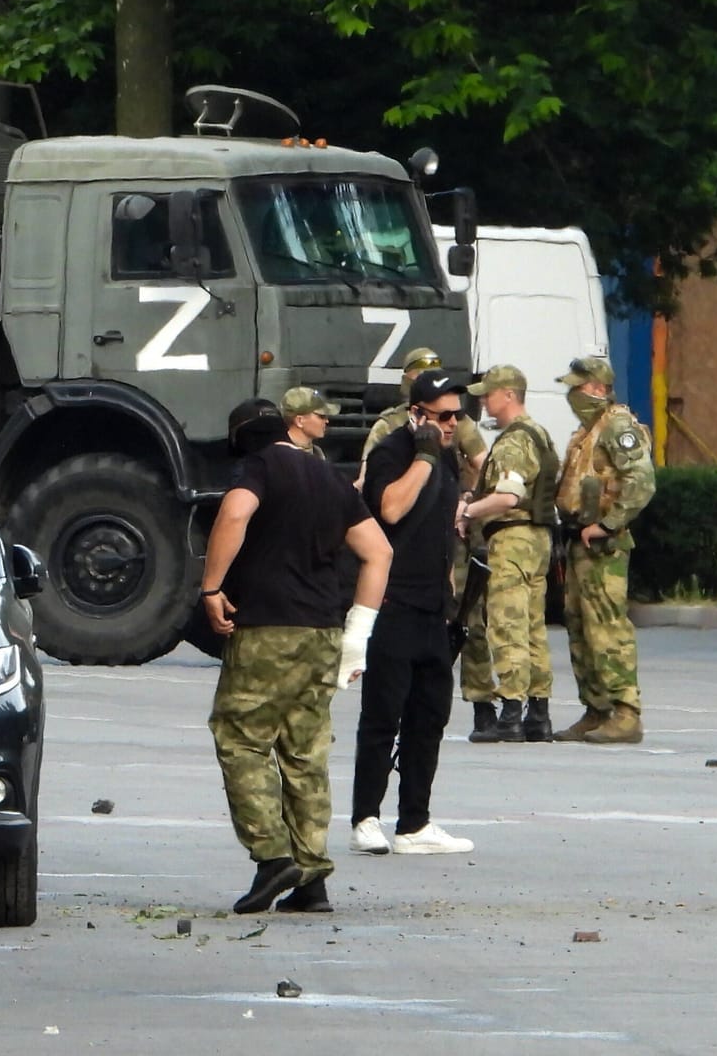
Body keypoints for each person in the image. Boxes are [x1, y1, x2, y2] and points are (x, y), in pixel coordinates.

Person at [200, 387, 392, 915]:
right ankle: (311, 879)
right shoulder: (331, 478)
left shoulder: (259, 468)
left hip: (266, 626)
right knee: (305, 750)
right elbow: (379, 553)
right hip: (323, 631)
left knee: (241, 737)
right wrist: (358, 634)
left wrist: (212, 587)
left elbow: (235, 515)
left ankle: (271, 856)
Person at [350, 370, 475, 858]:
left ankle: (415, 822)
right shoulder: (393, 454)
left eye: (458, 416)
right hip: (393, 603)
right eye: (444, 416)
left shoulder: (445, 460)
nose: (452, 425)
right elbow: (392, 510)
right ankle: (365, 817)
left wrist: (449, 595)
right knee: (383, 715)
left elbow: (442, 529)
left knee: (430, 716)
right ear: (416, 414)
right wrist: (423, 456)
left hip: (431, 607)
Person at [551, 356, 656, 745]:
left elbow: (641, 482)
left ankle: (626, 712)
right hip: (580, 541)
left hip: (605, 546)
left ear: (596, 388)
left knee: (607, 628)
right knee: (580, 627)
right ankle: (596, 710)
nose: (571, 394)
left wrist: (609, 524)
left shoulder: (617, 426)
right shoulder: (587, 430)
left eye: (577, 387)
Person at [457, 365, 560, 742]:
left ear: (509, 395)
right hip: (538, 539)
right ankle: (539, 713)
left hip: (513, 538)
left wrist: (468, 512)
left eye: (489, 393)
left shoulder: (515, 441)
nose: (483, 400)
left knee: (507, 623)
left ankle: (512, 713)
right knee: (533, 627)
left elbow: (509, 496)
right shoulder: (540, 433)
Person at [358, 347, 488, 492]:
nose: (451, 422)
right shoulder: (388, 424)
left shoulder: (459, 420)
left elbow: (483, 465)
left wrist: (471, 501)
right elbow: (367, 478)